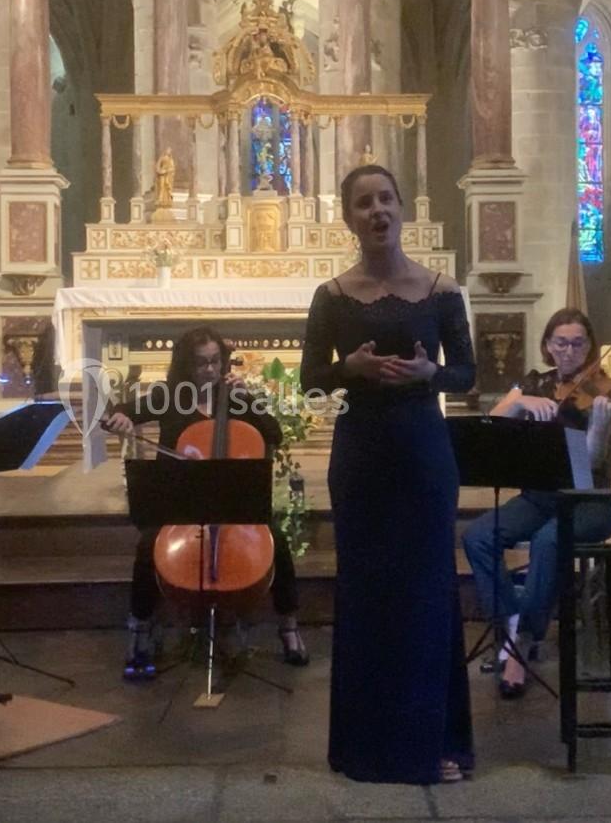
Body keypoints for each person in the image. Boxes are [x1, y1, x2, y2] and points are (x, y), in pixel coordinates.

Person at [301, 164, 476, 785]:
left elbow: (467, 374)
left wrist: (432, 376)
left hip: (425, 455)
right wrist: (349, 367)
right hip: (361, 457)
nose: (376, 211)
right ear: (348, 219)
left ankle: (434, 742)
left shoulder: (442, 291)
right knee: (368, 595)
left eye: (385, 200)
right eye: (362, 203)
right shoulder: (332, 295)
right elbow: (308, 381)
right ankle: (366, 748)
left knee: (428, 595)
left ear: (402, 210)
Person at [103, 326, 309, 679]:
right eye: (201, 364)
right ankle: (140, 627)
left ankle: (288, 626)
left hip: (232, 504)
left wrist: (251, 402)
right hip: (179, 503)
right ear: (186, 365)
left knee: (277, 541)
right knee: (148, 545)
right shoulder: (171, 396)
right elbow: (122, 412)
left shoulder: (237, 398)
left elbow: (272, 433)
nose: (210, 370)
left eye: (215, 362)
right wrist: (120, 417)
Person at [462, 308, 611, 698]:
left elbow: (592, 462)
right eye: (561, 342)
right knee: (479, 536)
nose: (569, 351)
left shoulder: (603, 389)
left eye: (578, 343)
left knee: (549, 540)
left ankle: (521, 645)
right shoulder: (534, 382)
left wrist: (600, 426)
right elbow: (492, 420)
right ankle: (511, 621)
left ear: (590, 346)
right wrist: (522, 403)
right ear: (548, 346)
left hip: (589, 501)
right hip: (540, 495)